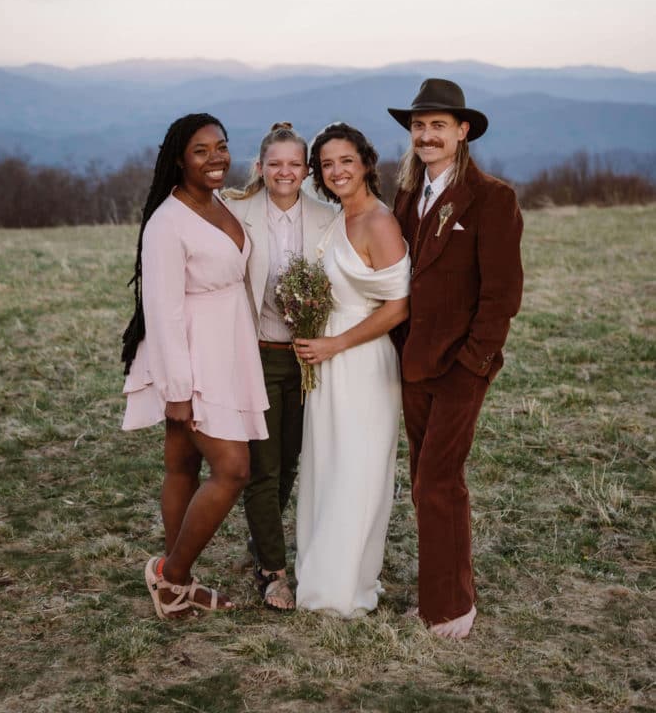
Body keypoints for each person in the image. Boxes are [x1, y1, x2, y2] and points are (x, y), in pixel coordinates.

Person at [388, 78, 524, 639]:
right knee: (425, 475)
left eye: (438, 125)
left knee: (437, 482)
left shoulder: (492, 197)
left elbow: (502, 293)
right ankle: (440, 592)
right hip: (413, 362)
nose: (427, 135)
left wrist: (475, 359)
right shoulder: (404, 196)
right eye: (419, 126)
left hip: (461, 367)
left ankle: (450, 608)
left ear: (463, 132)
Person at [121, 113, 269, 620]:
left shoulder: (222, 202)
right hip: (191, 358)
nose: (215, 158)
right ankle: (171, 576)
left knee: (182, 465)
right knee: (232, 469)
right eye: (201, 150)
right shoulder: (168, 222)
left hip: (227, 349)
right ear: (179, 159)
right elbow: (162, 312)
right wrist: (177, 390)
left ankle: (180, 585)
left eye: (221, 147)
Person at [293, 123, 410, 617]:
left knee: (357, 472)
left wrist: (336, 342)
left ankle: (346, 589)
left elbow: (398, 306)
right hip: (326, 362)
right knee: (326, 467)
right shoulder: (336, 219)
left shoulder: (379, 222)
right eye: (326, 164)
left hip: (361, 361)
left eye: (346, 160)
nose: (337, 171)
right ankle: (320, 576)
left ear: (365, 162)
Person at [222, 123, 337, 610]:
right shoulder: (233, 212)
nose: (284, 172)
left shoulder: (329, 217)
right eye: (275, 164)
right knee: (263, 470)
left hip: (311, 360)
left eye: (294, 164)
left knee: (292, 461)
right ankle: (272, 570)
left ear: (307, 171)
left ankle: (259, 538)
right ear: (261, 168)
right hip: (258, 356)